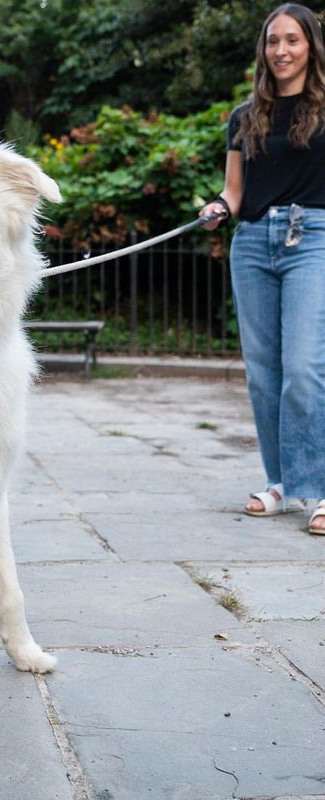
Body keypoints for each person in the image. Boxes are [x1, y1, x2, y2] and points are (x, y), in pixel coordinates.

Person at [200, 3, 325, 535]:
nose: (281, 51)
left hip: (314, 239)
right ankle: (278, 482)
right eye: (273, 41)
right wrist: (218, 209)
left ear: (311, 46)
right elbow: (234, 192)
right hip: (252, 243)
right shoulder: (243, 117)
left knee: (303, 369)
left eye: (292, 40)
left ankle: (315, 489)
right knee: (264, 374)